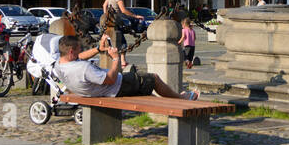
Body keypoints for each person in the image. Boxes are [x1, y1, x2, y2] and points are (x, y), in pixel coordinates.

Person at [55, 35, 197, 100]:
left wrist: (99, 49)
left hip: (90, 93)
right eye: (79, 49)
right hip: (117, 88)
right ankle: (181, 98)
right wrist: (116, 58)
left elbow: (79, 57)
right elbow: (111, 79)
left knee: (145, 87)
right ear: (71, 52)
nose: (81, 51)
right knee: (153, 78)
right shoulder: (82, 68)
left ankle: (170, 97)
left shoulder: (59, 64)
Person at [102, 0, 141, 68]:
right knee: (122, 41)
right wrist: (135, 16)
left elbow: (104, 5)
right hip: (116, 20)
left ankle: (114, 60)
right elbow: (123, 10)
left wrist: (105, 15)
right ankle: (123, 62)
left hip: (109, 20)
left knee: (109, 40)